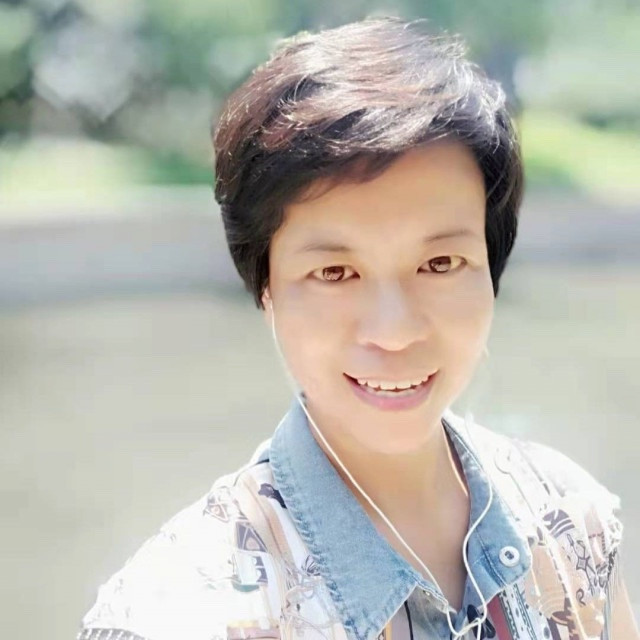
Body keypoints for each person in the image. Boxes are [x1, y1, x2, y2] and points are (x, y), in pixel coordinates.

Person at [77, 16, 638, 640]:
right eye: (335, 272)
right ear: (266, 287)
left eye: (440, 264)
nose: (394, 333)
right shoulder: (175, 615)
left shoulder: (573, 523)